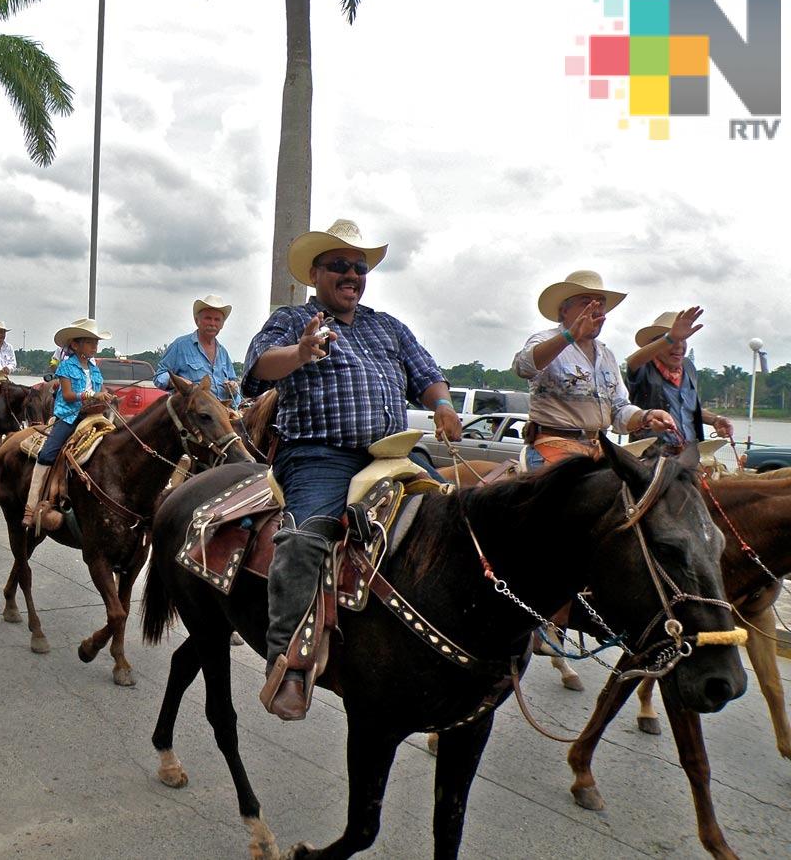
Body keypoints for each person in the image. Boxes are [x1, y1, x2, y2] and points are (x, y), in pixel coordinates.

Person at [242, 219, 463, 721]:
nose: (351, 275)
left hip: (394, 452)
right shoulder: (292, 318)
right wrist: (299, 353)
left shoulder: (388, 326)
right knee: (303, 539)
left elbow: (428, 375)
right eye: (339, 266)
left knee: (460, 519)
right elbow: (258, 366)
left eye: (358, 268)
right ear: (316, 273)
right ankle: (290, 663)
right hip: (320, 454)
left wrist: (443, 404)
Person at [513, 270, 677, 470]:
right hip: (552, 446)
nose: (596, 309)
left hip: (598, 449)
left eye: (601, 303)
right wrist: (568, 336)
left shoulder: (607, 355)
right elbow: (524, 367)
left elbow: (618, 410)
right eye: (586, 302)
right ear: (565, 311)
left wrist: (647, 416)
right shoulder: (545, 340)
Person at [22, 319, 113, 528]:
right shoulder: (66, 366)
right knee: (47, 454)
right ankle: (31, 505)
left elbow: (100, 390)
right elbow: (69, 395)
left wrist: (107, 397)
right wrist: (93, 394)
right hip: (70, 416)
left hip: (94, 416)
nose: (95, 346)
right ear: (75, 345)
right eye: (90, 342)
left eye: (95, 342)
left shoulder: (94, 368)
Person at [626, 308, 733, 452]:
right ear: (656, 344)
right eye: (673, 340)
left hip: (690, 454)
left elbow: (691, 408)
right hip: (653, 457)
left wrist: (715, 419)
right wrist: (670, 338)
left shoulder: (688, 367)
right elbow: (632, 362)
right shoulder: (642, 367)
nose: (679, 346)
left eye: (683, 339)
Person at [154, 294, 241, 408]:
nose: (212, 323)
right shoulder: (180, 345)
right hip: (192, 417)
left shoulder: (223, 352)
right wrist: (175, 381)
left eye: (217, 320)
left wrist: (234, 389)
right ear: (197, 320)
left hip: (221, 415)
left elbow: (233, 384)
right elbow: (159, 377)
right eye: (208, 318)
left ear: (222, 325)